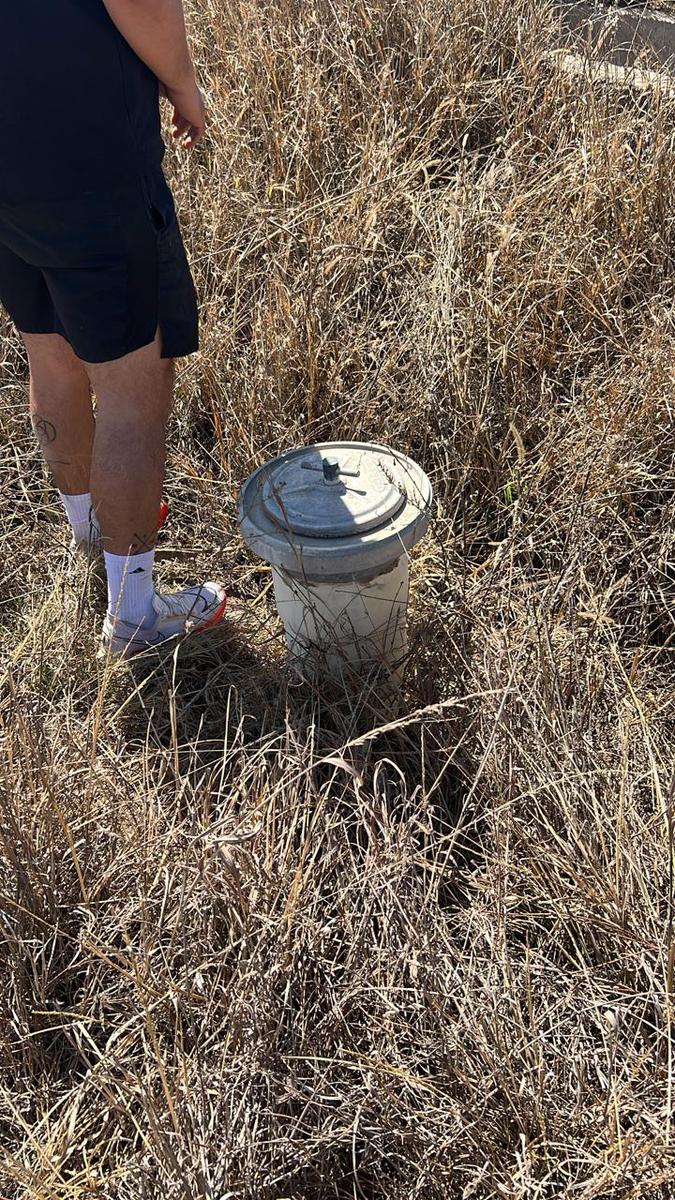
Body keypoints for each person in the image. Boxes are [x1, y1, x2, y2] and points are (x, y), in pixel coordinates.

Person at [0, 0, 227, 657]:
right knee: (133, 391)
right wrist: (182, 84)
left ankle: (88, 539)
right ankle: (132, 617)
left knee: (51, 353)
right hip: (85, 158)